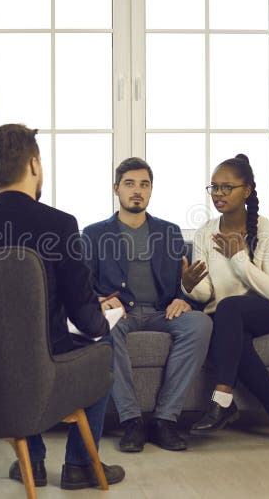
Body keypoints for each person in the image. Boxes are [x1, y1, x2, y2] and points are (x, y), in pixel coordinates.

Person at [0, 124, 126, 489]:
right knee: (103, 348)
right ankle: (79, 464)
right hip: (43, 365)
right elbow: (84, 318)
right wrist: (102, 323)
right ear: (34, 165)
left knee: (16, 352)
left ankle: (34, 461)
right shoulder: (59, 225)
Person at [181, 154, 269, 450]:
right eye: (214, 188)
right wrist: (189, 286)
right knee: (233, 332)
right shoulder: (205, 232)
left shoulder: (268, 232)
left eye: (226, 188)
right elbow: (206, 295)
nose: (218, 195)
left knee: (229, 308)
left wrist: (239, 260)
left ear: (246, 190)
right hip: (228, 321)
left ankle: (221, 398)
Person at [82, 158, 212, 453]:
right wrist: (101, 299)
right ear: (116, 189)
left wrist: (184, 296)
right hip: (120, 312)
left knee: (201, 324)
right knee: (105, 327)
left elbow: (186, 280)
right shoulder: (93, 233)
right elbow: (82, 284)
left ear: (151, 190)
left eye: (144, 184)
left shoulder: (169, 231)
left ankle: (165, 420)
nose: (137, 190)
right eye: (130, 184)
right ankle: (131, 421)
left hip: (161, 311)